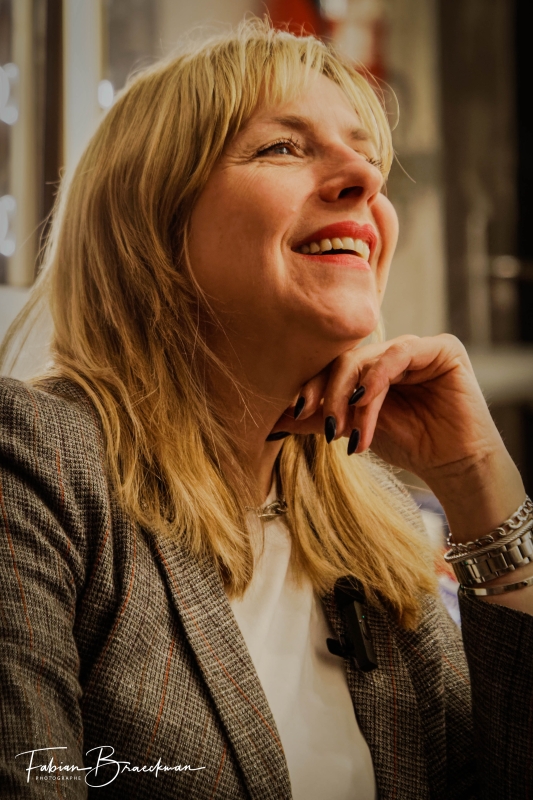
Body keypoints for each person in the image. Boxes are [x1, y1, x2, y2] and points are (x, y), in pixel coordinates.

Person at [1, 19, 532, 800]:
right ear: (151, 221)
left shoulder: (372, 531)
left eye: (366, 153)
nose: (363, 177)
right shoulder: (34, 461)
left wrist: (478, 482)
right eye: (283, 146)